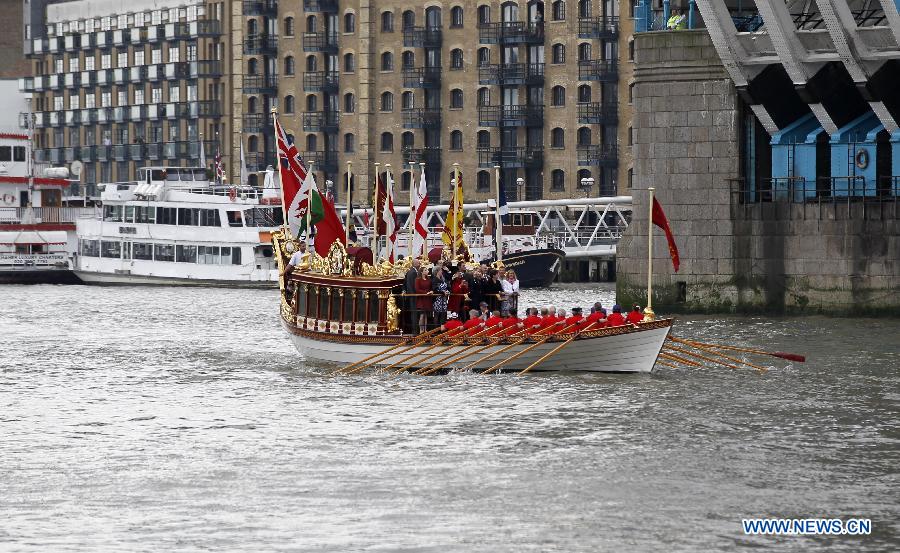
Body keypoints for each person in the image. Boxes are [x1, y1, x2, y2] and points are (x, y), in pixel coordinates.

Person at [404, 258, 421, 332]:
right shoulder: (413, 272)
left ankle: (415, 330)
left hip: (411, 295)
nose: (420, 264)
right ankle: (415, 330)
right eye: (418, 263)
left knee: (414, 313)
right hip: (413, 296)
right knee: (414, 313)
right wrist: (415, 294)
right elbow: (412, 285)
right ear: (415, 264)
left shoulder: (410, 271)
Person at [414, 267, 433, 333]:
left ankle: (425, 329)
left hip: (428, 298)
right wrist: (426, 293)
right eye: (425, 270)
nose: (427, 271)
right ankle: (421, 330)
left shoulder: (428, 279)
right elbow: (417, 289)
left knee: (426, 315)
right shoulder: (418, 279)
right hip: (422, 298)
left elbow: (431, 287)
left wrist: (431, 291)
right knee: (422, 314)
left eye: (427, 270)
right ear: (422, 272)